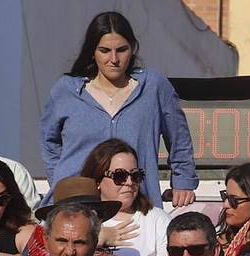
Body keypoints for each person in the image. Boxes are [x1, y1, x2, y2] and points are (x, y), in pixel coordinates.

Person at [40, 11, 197, 209]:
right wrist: (62, 182)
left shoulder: (154, 87)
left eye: (121, 49)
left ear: (132, 49)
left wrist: (183, 181)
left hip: (137, 205)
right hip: (76, 207)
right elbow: (49, 142)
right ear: (92, 52)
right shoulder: (66, 90)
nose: (114, 59)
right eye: (104, 50)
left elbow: (179, 137)